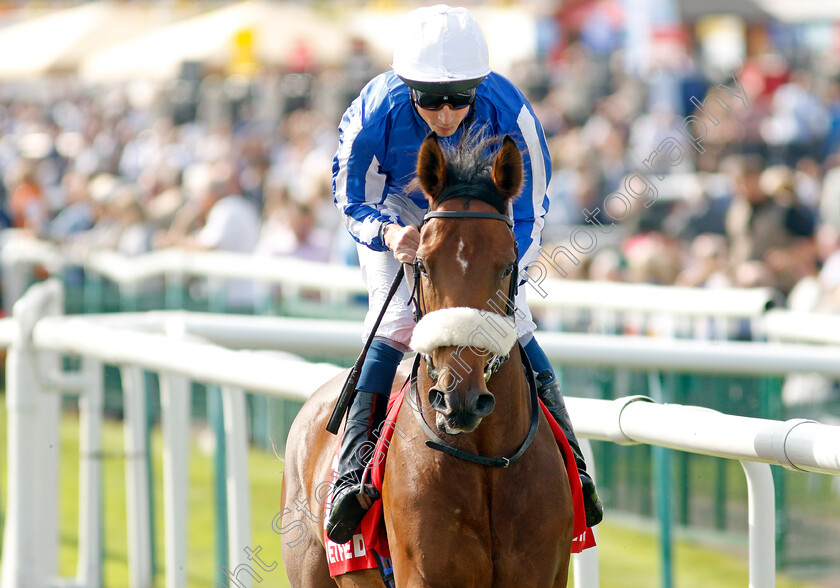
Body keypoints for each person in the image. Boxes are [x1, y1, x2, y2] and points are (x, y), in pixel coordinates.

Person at [327, 4, 603, 544]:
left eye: (460, 98)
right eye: (430, 99)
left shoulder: (511, 112)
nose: (446, 113)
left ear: (481, 87)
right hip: (398, 218)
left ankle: (574, 466)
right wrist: (389, 236)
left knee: (516, 321)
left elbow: (530, 208)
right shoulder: (373, 110)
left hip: (481, 227)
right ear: (407, 87)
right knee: (397, 321)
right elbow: (348, 194)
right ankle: (351, 471)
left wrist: (502, 271)